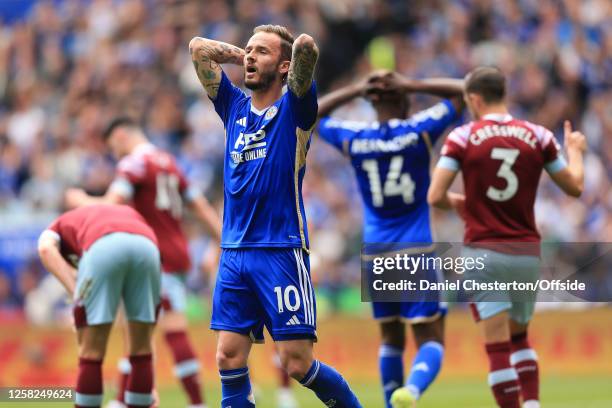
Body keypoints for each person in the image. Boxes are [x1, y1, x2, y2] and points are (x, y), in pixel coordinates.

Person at [189, 24, 362, 407]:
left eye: (261, 52)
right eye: (248, 50)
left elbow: (306, 48)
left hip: (279, 251)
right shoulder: (233, 107)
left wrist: (290, 53)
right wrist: (245, 55)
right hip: (234, 253)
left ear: (284, 67)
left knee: (297, 363)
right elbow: (198, 48)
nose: (249, 56)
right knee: (227, 357)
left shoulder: (295, 110)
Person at [428, 66, 586, 408]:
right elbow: (574, 186)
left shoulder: (463, 137)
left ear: (474, 99)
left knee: (497, 346)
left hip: (483, 250)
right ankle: (532, 404)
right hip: (525, 251)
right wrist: (575, 148)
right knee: (520, 337)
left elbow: (435, 195)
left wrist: (461, 203)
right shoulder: (539, 135)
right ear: (504, 94)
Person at [317, 70, 464, 408]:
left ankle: (389, 403)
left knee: (391, 339)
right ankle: (410, 392)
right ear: (406, 100)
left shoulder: (356, 137)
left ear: (371, 102)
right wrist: (413, 82)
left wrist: (356, 88)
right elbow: (464, 91)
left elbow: (311, 114)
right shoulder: (418, 131)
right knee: (431, 338)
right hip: (416, 248)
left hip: (376, 252)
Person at [65, 118, 221, 408]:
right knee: (135, 330)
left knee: (161, 330)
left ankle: (194, 403)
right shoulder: (170, 163)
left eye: (113, 147)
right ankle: (126, 399)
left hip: (151, 256)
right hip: (176, 255)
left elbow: (112, 204)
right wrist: (225, 243)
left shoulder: (134, 164)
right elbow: (199, 207)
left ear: (122, 135)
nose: (115, 155)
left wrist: (81, 199)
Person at [38, 204, 161, 408]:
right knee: (142, 349)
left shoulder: (58, 225)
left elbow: (44, 248)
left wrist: (76, 292)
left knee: (91, 353)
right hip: (148, 246)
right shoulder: (118, 212)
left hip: (101, 245)